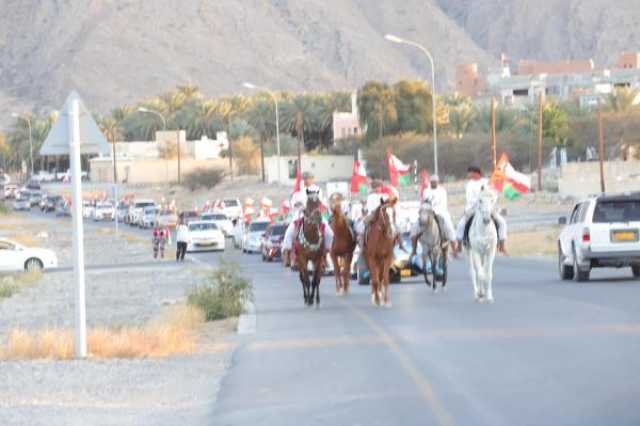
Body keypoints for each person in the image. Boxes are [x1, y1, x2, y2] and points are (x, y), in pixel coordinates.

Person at [454, 165, 508, 254]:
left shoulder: (487, 182)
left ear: (475, 173)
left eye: (470, 173)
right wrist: (480, 200)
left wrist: (491, 200)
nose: (468, 175)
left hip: (487, 207)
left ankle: (502, 244)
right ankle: (459, 245)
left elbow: (493, 195)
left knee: (502, 222)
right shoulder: (469, 184)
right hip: (473, 208)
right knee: (461, 224)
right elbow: (470, 198)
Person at [282, 185, 334, 267]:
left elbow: (323, 206)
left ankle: (327, 255)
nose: (308, 180)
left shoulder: (319, 190)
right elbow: (296, 205)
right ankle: (287, 254)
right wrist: (301, 208)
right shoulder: (301, 193)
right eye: (306, 178)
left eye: (309, 178)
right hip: (302, 216)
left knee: (330, 233)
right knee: (289, 232)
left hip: (317, 217)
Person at [413, 174, 457, 253]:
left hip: (440, 212)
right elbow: (423, 203)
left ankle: (453, 246)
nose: (434, 183)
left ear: (438, 182)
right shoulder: (426, 191)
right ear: (430, 182)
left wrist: (434, 211)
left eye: (435, 182)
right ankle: (414, 248)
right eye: (432, 182)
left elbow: (443, 204)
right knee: (416, 225)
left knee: (448, 225)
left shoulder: (442, 191)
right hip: (427, 212)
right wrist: (423, 210)